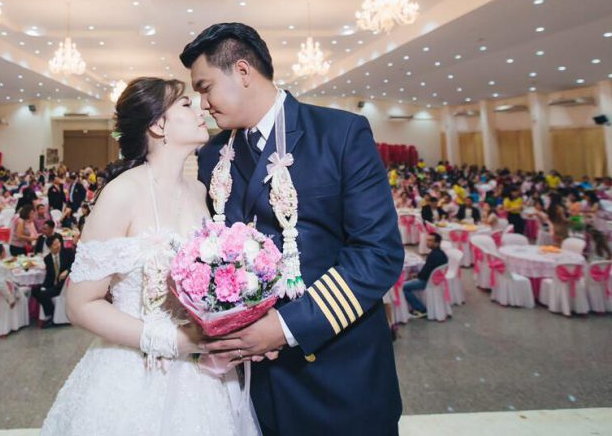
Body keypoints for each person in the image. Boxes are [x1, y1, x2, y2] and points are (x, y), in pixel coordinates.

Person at [187, 23, 404, 435]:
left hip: (339, 375)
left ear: (243, 71)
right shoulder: (213, 154)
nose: (203, 104)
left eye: (205, 87)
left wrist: (285, 328)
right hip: (255, 384)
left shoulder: (339, 133)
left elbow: (378, 253)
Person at [41, 77, 247, 435]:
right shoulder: (121, 193)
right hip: (136, 370)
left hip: (206, 373)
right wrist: (170, 341)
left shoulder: (200, 191)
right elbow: (80, 304)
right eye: (186, 104)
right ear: (157, 125)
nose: (199, 109)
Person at [402, 233, 447, 319]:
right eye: (427, 240)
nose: (427, 242)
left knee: (403, 287)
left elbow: (425, 274)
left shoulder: (433, 255)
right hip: (434, 279)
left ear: (437, 243)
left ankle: (421, 309)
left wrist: (416, 276)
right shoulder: (441, 253)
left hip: (427, 281)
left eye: (430, 240)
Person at [32, 234, 74, 322]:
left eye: (58, 243)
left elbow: (75, 264)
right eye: (55, 244)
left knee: (43, 295)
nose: (58, 245)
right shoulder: (47, 259)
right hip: (52, 283)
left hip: (62, 284)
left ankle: (50, 315)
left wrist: (67, 271)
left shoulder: (67, 252)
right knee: (35, 290)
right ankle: (51, 312)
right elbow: (49, 275)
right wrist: (44, 286)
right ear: (50, 247)